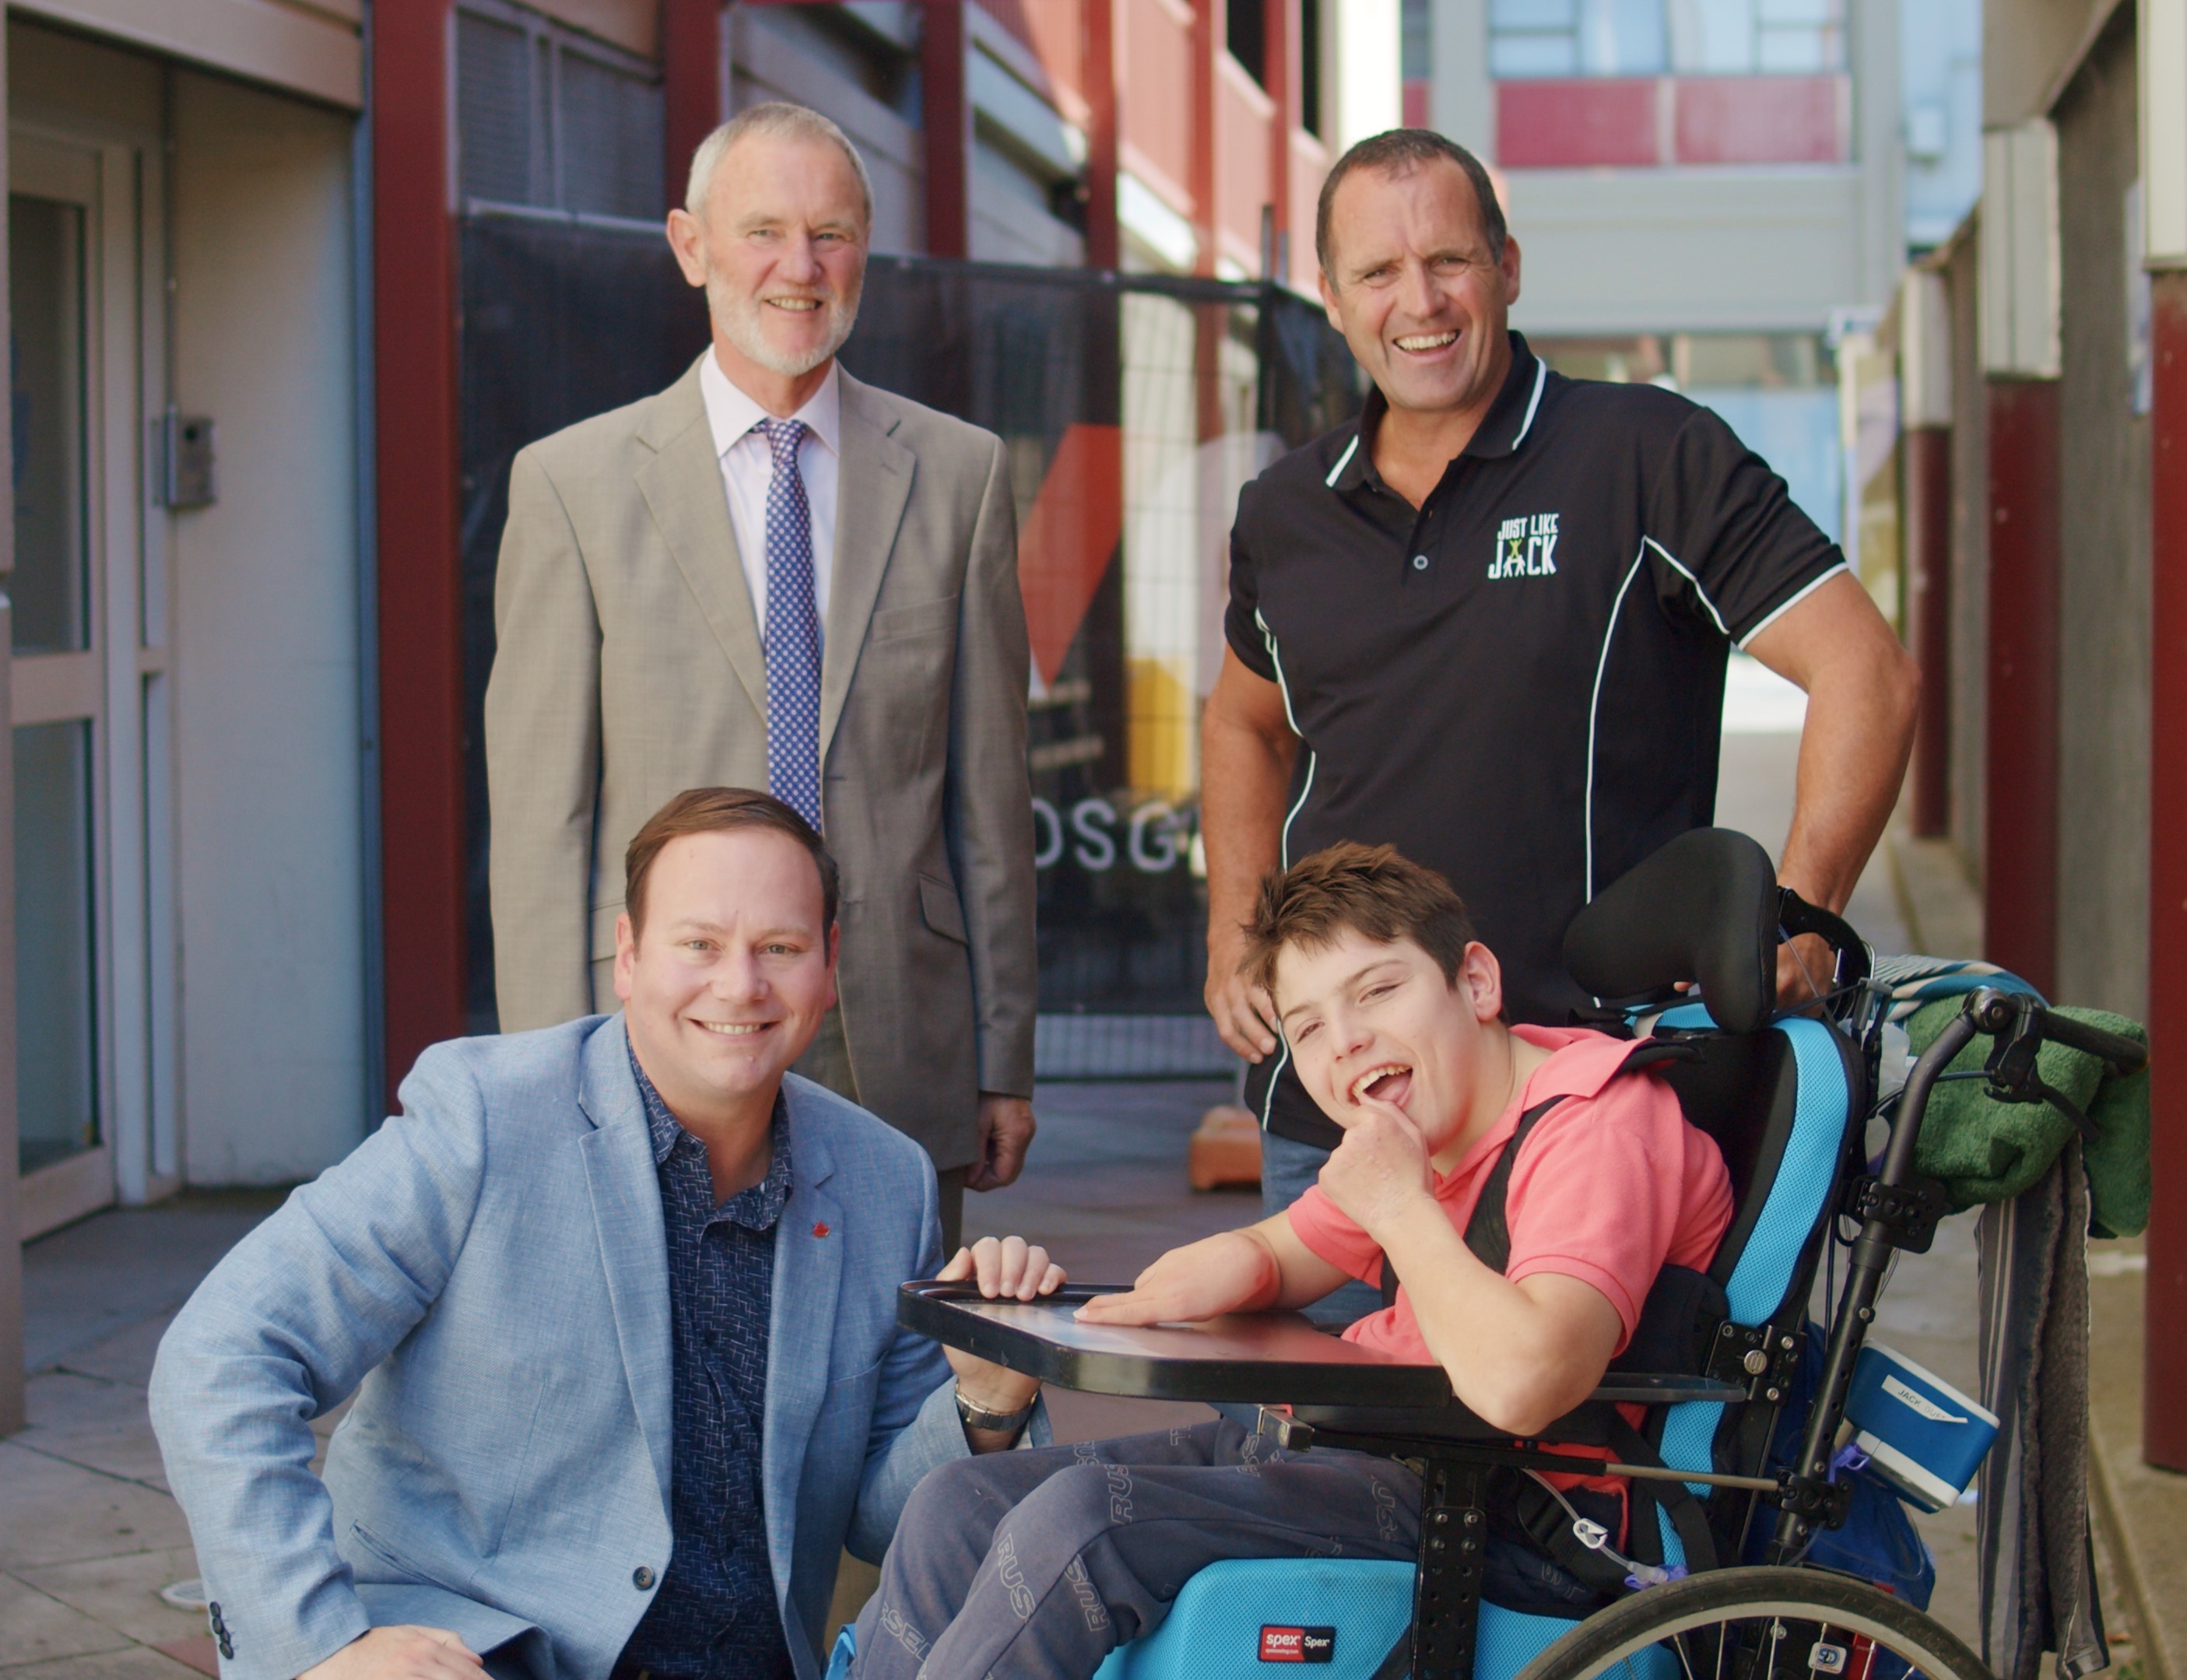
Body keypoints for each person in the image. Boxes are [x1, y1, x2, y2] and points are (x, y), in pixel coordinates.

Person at [1199, 129, 1919, 1282]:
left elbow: (1864, 670)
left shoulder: (1646, 453)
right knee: (1314, 1457)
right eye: (1377, 274)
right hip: (1335, 1119)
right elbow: (1242, 720)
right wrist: (1235, 921)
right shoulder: (1284, 511)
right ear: (1330, 298)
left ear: (1507, 266)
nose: (1419, 302)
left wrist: (1802, 910)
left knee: (1554, 1459)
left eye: (1449, 260)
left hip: (1576, 1116)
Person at [150, 788, 1067, 1680]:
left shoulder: (884, 1178)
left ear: (828, 963)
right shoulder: (483, 1118)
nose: (740, 983)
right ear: (627, 955)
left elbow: (880, 1519)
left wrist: (983, 1402)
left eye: (778, 947)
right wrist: (317, 1642)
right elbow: (222, 1355)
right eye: (698, 943)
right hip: (471, 1652)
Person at [842, 842, 1733, 1680]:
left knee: (1079, 1527)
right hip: (1360, 1444)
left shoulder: (1597, 1126)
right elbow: (1287, 1249)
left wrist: (1399, 1204)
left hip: (1502, 1502)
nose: (1343, 1040)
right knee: (959, 1502)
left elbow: (1527, 1380)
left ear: (1476, 979)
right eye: (1306, 1026)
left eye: (1377, 990)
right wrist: (1158, 1292)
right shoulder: (1432, 1119)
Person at [485, 102, 1036, 1250]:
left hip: (894, 1024)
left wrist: (1002, 1056)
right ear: (691, 246)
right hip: (660, 1023)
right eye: (763, 232)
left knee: (895, 1384)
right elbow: (541, 822)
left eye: (831, 234)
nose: (800, 268)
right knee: (679, 1381)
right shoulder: (573, 485)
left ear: (865, 252)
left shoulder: (959, 475)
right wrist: (544, 1083)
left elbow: (989, 801)